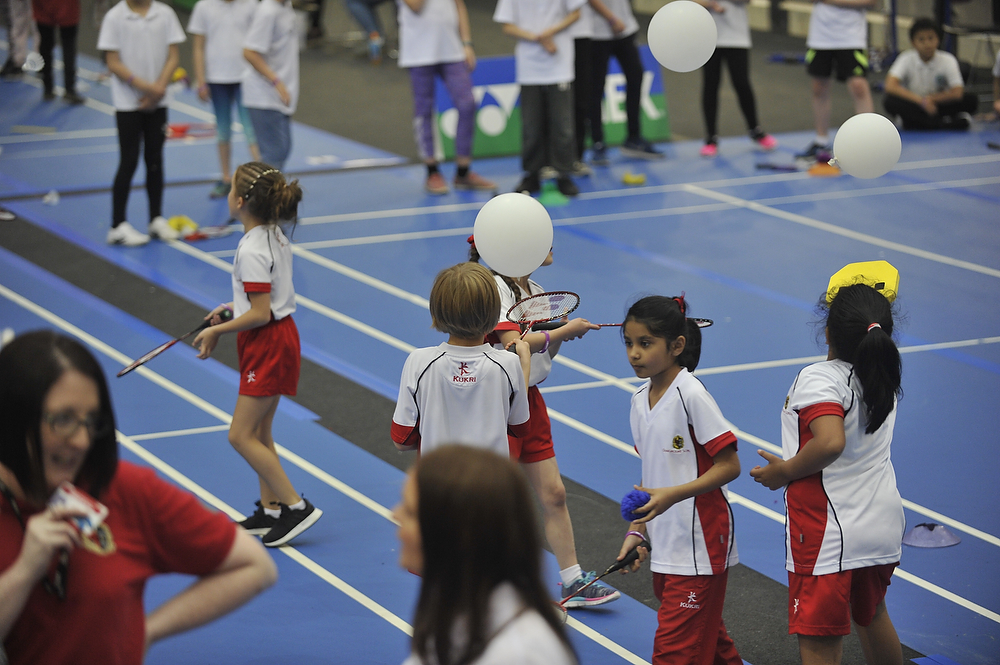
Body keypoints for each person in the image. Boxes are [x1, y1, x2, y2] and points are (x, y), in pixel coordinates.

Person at [0, 330, 277, 665]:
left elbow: (255, 566)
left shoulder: (126, 490)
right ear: (14, 418)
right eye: (63, 420)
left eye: (91, 421)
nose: (81, 441)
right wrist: (24, 571)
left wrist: (146, 632)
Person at [750, 281, 905, 665]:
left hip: (827, 532)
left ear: (828, 332)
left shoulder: (821, 378)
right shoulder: (882, 375)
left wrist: (783, 472)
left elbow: (830, 442)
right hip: (880, 522)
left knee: (819, 638)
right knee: (872, 615)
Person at [468, 238, 620, 608]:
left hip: (530, 401)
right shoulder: (493, 287)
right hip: (496, 403)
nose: (551, 245)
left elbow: (543, 350)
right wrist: (561, 332)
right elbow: (511, 342)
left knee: (554, 493)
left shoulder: (534, 291)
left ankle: (572, 582)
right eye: (541, 239)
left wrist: (559, 334)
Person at [193, 162, 322, 547]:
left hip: (268, 341)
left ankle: (296, 507)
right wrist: (231, 308)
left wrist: (216, 329)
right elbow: (262, 300)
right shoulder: (274, 235)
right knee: (260, 431)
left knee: (240, 435)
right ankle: (270, 511)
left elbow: (262, 312)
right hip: (274, 337)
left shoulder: (251, 248)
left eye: (232, 187)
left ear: (240, 201)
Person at [617, 295, 743, 665]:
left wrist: (673, 495)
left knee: (675, 653)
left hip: (699, 542)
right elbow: (652, 476)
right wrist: (637, 531)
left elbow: (729, 465)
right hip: (666, 543)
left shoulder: (691, 395)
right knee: (710, 643)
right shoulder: (639, 400)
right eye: (628, 343)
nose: (634, 354)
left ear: (677, 346)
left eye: (645, 343)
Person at [394, 445, 578, 665]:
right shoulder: (453, 613)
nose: (395, 514)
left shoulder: (518, 654)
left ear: (457, 533)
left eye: (411, 511)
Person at [391, 262, 532, 457]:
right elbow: (519, 426)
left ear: (437, 311)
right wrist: (524, 364)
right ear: (493, 313)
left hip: (436, 482)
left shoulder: (418, 361)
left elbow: (402, 441)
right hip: (492, 483)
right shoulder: (508, 364)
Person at [98, 0, 186, 246]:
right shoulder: (115, 17)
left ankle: (156, 219)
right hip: (129, 102)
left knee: (155, 159)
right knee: (128, 160)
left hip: (158, 101)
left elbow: (173, 56)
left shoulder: (165, 14)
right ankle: (117, 225)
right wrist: (146, 87)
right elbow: (113, 62)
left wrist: (158, 88)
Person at [397, 0, 496, 195]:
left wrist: (466, 43)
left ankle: (463, 171)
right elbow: (414, 5)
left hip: (452, 50)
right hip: (417, 53)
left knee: (467, 103)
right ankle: (432, 171)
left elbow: (459, 5)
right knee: (424, 110)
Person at [494, 0, 585, 197]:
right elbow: (507, 26)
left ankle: (563, 173)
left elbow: (576, 13)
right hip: (529, 67)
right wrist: (537, 37)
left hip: (560, 65)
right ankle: (532, 174)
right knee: (531, 126)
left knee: (563, 124)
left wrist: (550, 31)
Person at [188, 0, 262, 198]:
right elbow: (198, 47)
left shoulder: (251, 5)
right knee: (222, 130)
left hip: (245, 78)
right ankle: (226, 178)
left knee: (251, 129)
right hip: (216, 78)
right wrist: (201, 81)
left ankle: (263, 181)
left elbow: (259, 40)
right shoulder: (204, 7)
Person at [694, 0, 776, 157]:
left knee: (742, 84)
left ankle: (755, 130)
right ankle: (711, 138)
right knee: (710, 86)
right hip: (708, 37)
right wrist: (709, 4)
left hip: (737, 38)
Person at [797, 0, 876, 163]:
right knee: (819, 87)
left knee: (858, 86)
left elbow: (871, 1)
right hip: (821, 36)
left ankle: (869, 142)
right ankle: (821, 141)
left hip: (852, 35)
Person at [589, 0, 664, 163]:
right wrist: (611, 19)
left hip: (626, 28)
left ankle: (633, 137)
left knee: (636, 76)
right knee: (595, 87)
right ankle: (598, 142)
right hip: (598, 32)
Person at [883, 17, 978, 130]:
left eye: (931, 38)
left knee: (971, 100)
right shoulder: (905, 58)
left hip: (938, 104)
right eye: (921, 40)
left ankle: (918, 123)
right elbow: (890, 86)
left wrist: (932, 99)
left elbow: (957, 92)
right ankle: (944, 124)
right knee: (890, 101)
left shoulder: (948, 59)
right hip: (915, 103)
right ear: (913, 42)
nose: (927, 44)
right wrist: (921, 101)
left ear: (938, 40)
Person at [242, 0, 298, 172]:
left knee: (282, 150)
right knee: (274, 156)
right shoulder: (267, 12)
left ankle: (267, 197)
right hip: (264, 95)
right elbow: (249, 52)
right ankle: (264, 198)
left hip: (279, 96)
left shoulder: (286, 7)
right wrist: (276, 82)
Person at [33, 0, 84, 103]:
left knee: (46, 45)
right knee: (68, 46)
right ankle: (69, 90)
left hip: (43, 7)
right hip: (67, 7)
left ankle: (48, 88)